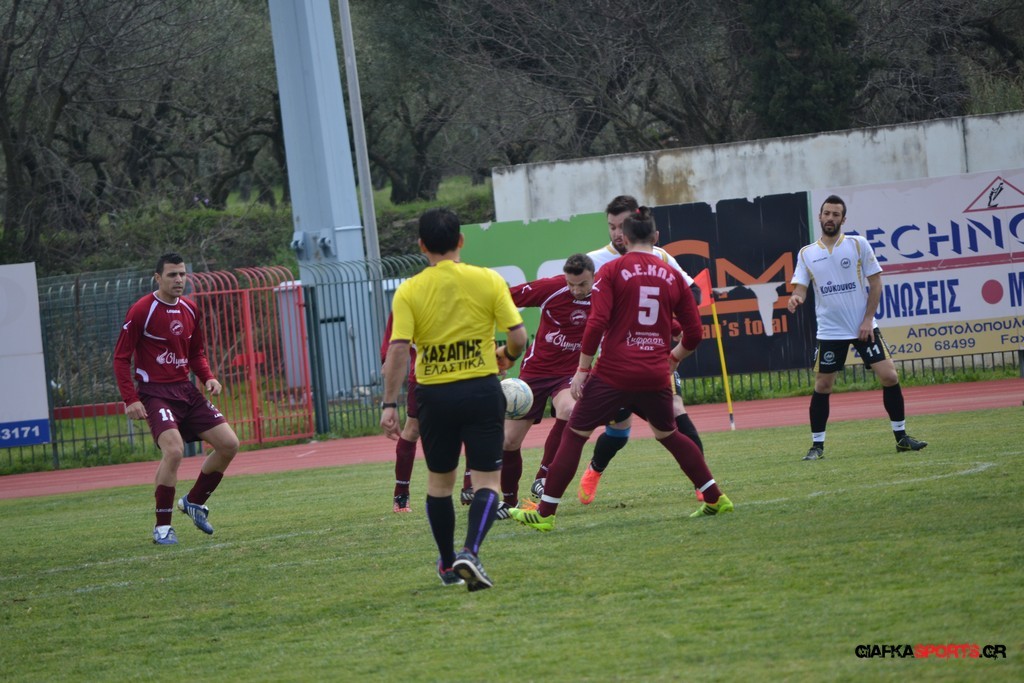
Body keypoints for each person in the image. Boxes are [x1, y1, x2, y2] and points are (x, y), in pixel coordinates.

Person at [510, 207, 733, 532]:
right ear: (656, 237)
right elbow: (694, 332)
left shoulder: (612, 270)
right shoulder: (671, 274)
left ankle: (545, 513)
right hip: (655, 372)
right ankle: (714, 497)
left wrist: (583, 370)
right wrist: (674, 358)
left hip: (614, 373)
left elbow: (597, 323)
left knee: (575, 433)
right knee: (669, 433)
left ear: (625, 240)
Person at [381, 207, 527, 591]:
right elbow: (518, 336)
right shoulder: (488, 279)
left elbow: (398, 349)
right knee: (487, 482)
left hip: (434, 396)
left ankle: (448, 563)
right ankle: (471, 552)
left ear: (421, 246)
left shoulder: (409, 290)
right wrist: (506, 357)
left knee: (440, 485)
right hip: (481, 390)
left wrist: (389, 404)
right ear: (461, 240)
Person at [561, 194, 706, 506]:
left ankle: (703, 483)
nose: (616, 233)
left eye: (621, 225)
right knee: (619, 431)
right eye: (611, 226)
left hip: (653, 357)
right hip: (613, 363)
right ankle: (594, 470)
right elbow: (578, 301)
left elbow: (692, 291)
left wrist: (670, 321)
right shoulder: (596, 261)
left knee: (676, 411)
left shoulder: (660, 257)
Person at [788, 195, 928, 460]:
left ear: (843, 219)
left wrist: (867, 320)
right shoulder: (807, 253)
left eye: (835, 214)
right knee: (823, 385)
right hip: (830, 331)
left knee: (889, 376)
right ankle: (817, 446)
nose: (830, 218)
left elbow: (876, 283)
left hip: (863, 327)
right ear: (820, 216)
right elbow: (801, 287)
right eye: (826, 213)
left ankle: (902, 438)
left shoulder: (857, 244)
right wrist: (796, 298)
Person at [113, 253, 240, 545]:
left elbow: (195, 352)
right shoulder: (142, 310)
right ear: (158, 278)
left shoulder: (191, 309)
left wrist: (207, 377)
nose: (179, 279)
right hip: (155, 393)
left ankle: (193, 501)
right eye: (172, 275)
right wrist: (130, 399)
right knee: (174, 451)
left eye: (182, 274)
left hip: (185, 390)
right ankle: (162, 528)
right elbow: (121, 358)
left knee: (229, 444)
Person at [502, 253, 598, 509]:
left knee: (570, 409)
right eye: (571, 284)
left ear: (593, 277)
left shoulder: (604, 295)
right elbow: (504, 299)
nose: (576, 290)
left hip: (570, 374)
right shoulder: (551, 288)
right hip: (535, 372)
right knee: (509, 441)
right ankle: (509, 503)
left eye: (582, 284)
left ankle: (544, 476)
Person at [381, 312, 473, 514]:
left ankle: (470, 484)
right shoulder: (408, 301)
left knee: (471, 423)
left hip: (461, 373)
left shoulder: (459, 296)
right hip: (424, 378)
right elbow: (393, 345)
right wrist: (387, 361)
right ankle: (401, 494)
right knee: (413, 430)